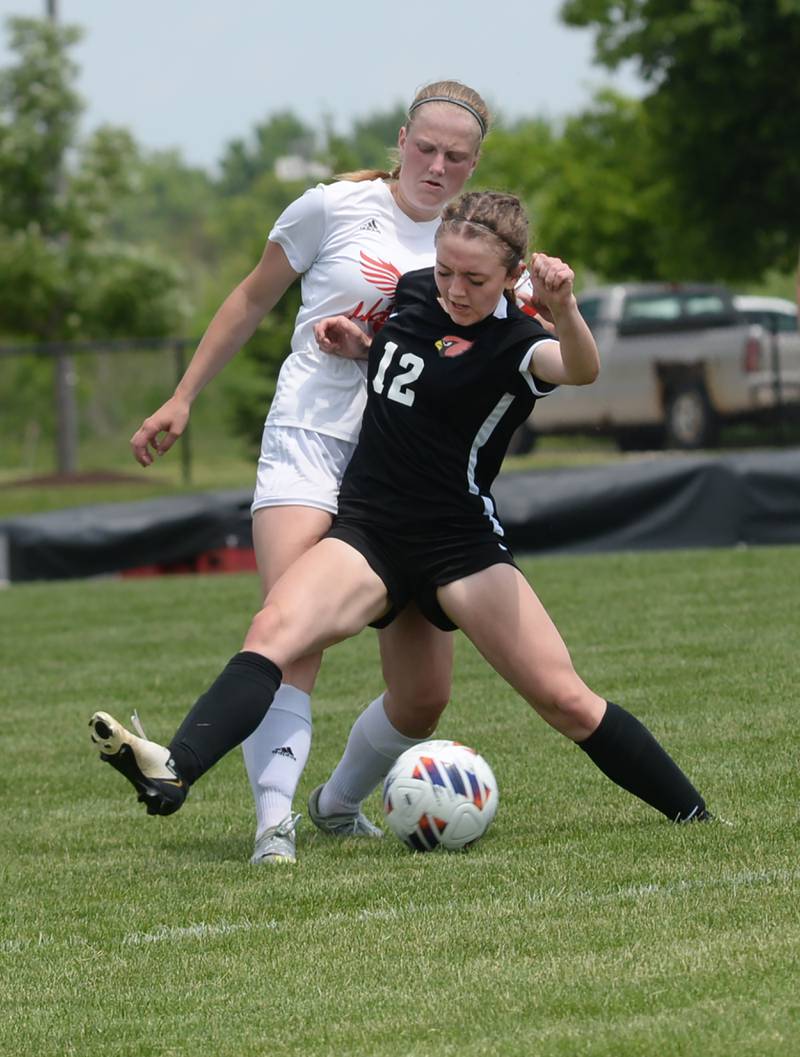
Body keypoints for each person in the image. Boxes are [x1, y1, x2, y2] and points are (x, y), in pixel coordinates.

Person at [89, 190, 713, 833]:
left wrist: (565, 308)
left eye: (475, 278)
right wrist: (364, 345)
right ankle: (175, 768)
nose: (454, 288)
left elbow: (580, 369)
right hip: (371, 531)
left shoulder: (518, 340)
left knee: (560, 701)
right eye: (446, 269)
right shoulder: (415, 293)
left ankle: (696, 818)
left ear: (510, 275)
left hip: (458, 544)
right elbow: (416, 364)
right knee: (273, 629)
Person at [128, 81, 491, 864]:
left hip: (403, 467)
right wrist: (182, 397)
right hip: (309, 438)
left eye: (455, 156)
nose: (436, 165)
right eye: (424, 148)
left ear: (474, 163)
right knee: (294, 635)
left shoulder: (476, 246)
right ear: (400, 140)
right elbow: (252, 298)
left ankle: (335, 802)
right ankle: (273, 824)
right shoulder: (328, 207)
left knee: (424, 697)